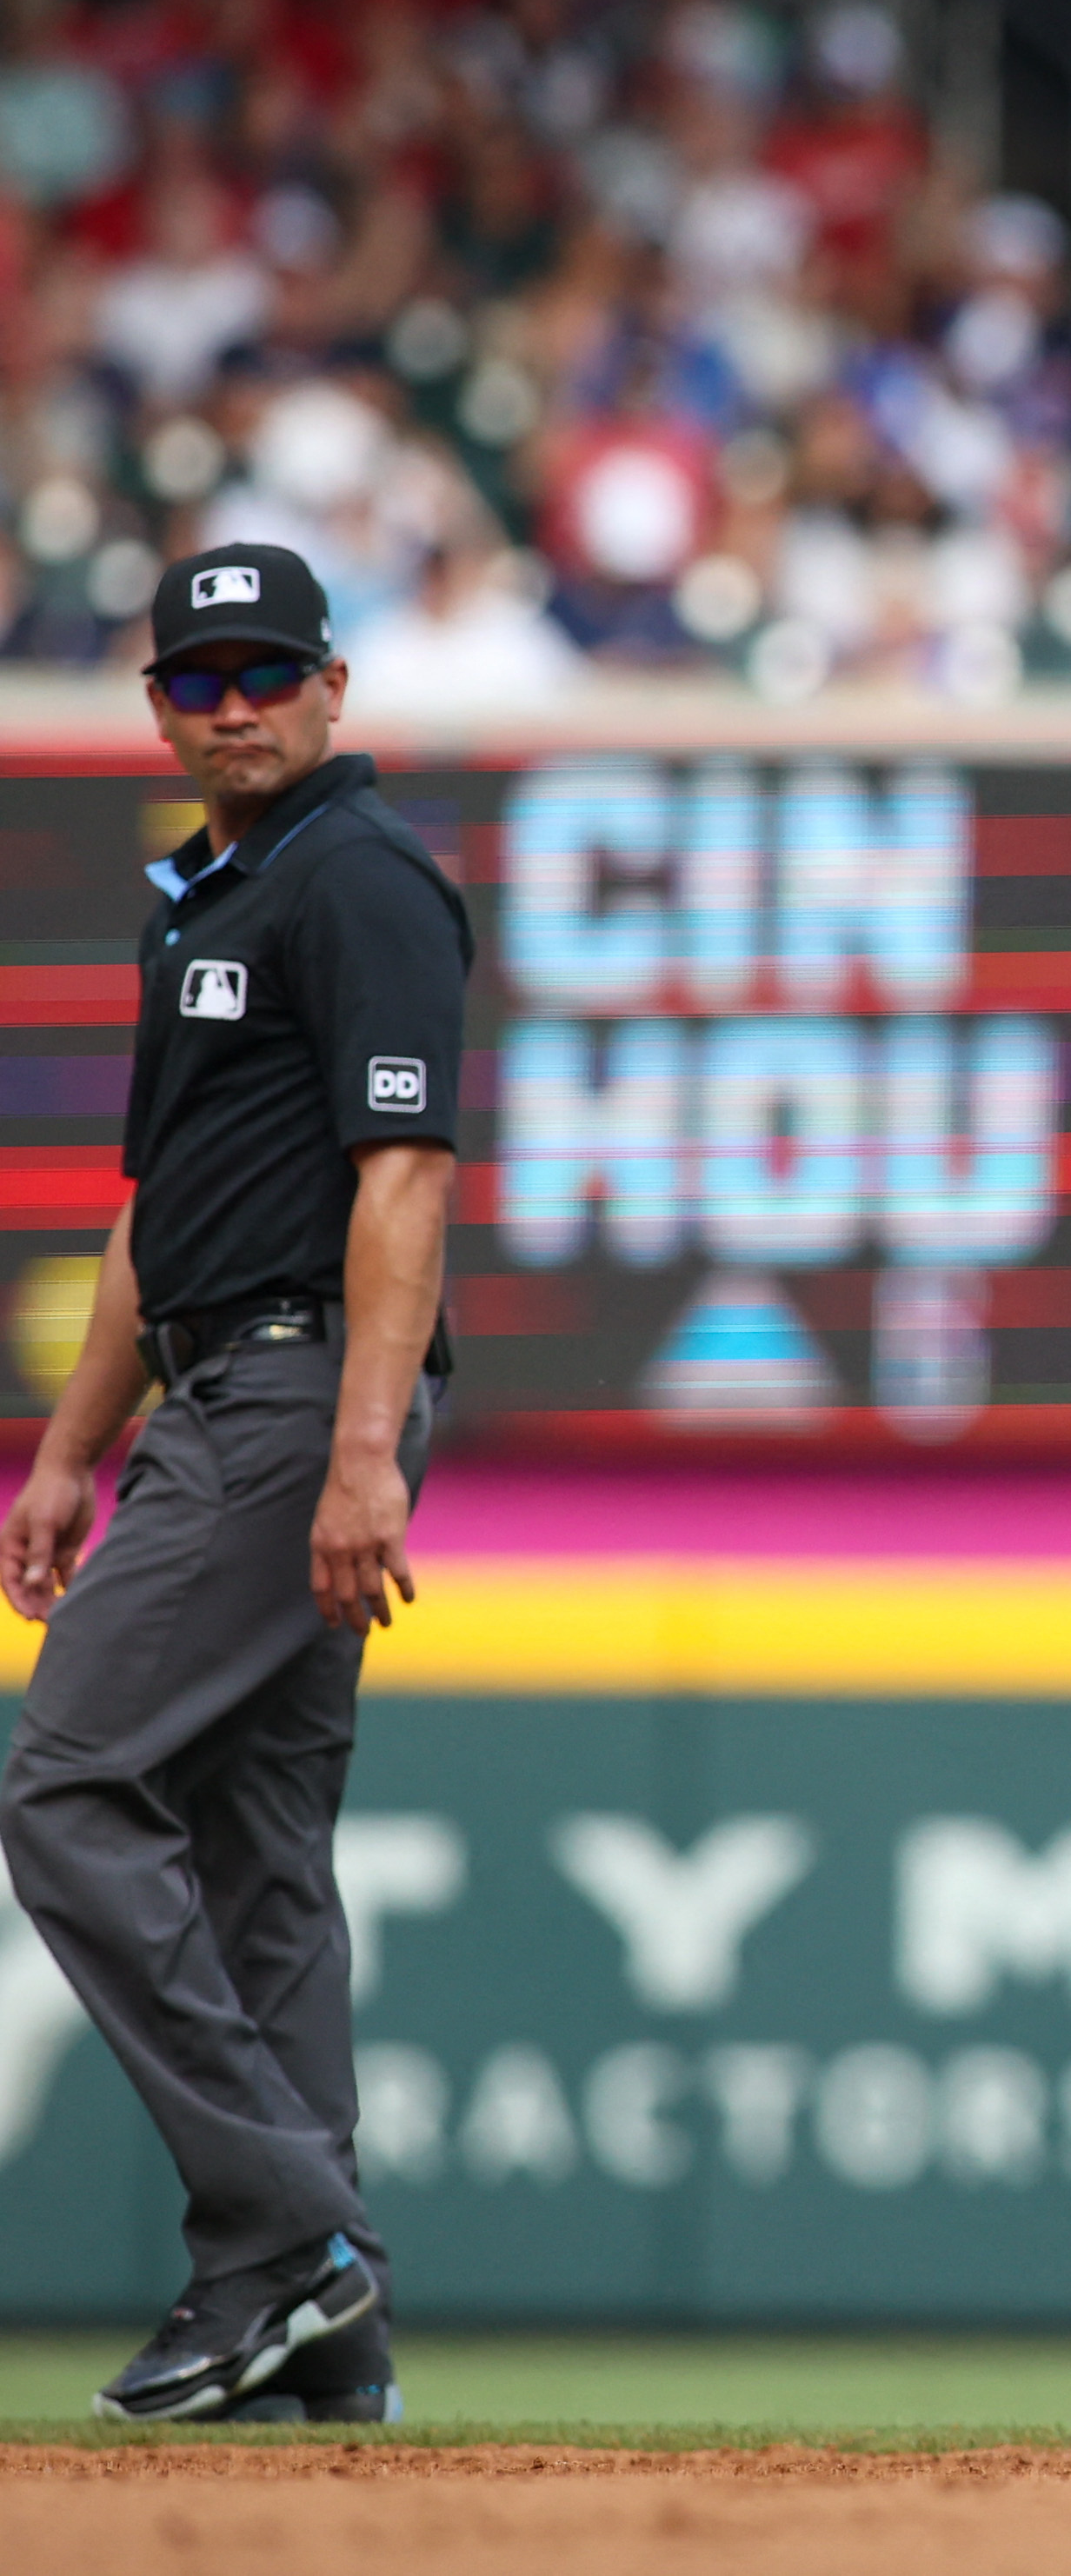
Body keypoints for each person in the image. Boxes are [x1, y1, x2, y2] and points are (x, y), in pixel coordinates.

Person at [0, 544, 469, 2426]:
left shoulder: (359, 879)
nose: (235, 703)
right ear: (161, 708)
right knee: (260, 1861)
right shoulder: (209, 898)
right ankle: (321, 2333)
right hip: (222, 1381)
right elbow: (149, 1212)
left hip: (292, 1399)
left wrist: (362, 1449)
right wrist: (62, 1449)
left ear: (333, 689)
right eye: (200, 677)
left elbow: (407, 1177)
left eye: (268, 669)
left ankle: (291, 2231)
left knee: (68, 1778)